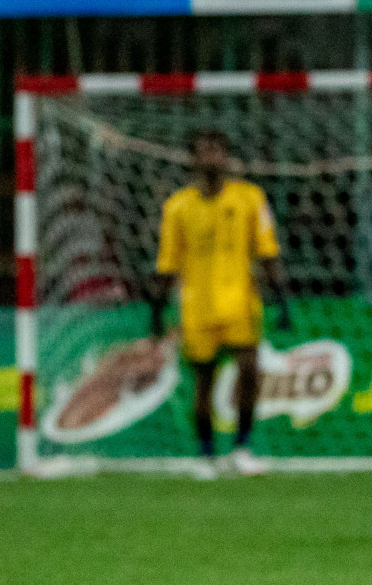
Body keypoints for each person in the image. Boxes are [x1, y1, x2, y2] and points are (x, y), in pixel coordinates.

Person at [149, 129, 291, 479]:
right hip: (197, 305)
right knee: (204, 382)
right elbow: (168, 263)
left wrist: (283, 300)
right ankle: (206, 454)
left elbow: (267, 250)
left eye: (217, 150)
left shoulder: (250, 198)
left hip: (240, 301)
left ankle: (242, 448)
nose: (211, 157)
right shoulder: (177, 207)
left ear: (226, 157)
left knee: (248, 370)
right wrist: (156, 310)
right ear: (193, 159)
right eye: (203, 151)